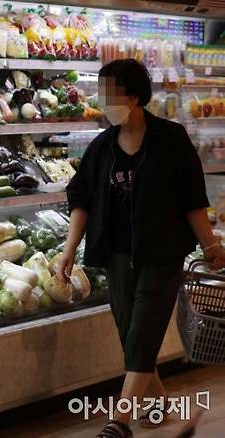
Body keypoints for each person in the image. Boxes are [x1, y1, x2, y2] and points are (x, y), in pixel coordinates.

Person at [58, 59, 225, 438]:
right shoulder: (101, 148)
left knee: (143, 331)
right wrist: (69, 250)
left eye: (109, 94)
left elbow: (192, 200)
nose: (102, 102)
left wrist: (210, 245)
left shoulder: (171, 139)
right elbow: (80, 199)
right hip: (116, 256)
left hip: (162, 253)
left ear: (133, 95)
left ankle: (118, 423)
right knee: (131, 335)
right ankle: (159, 406)